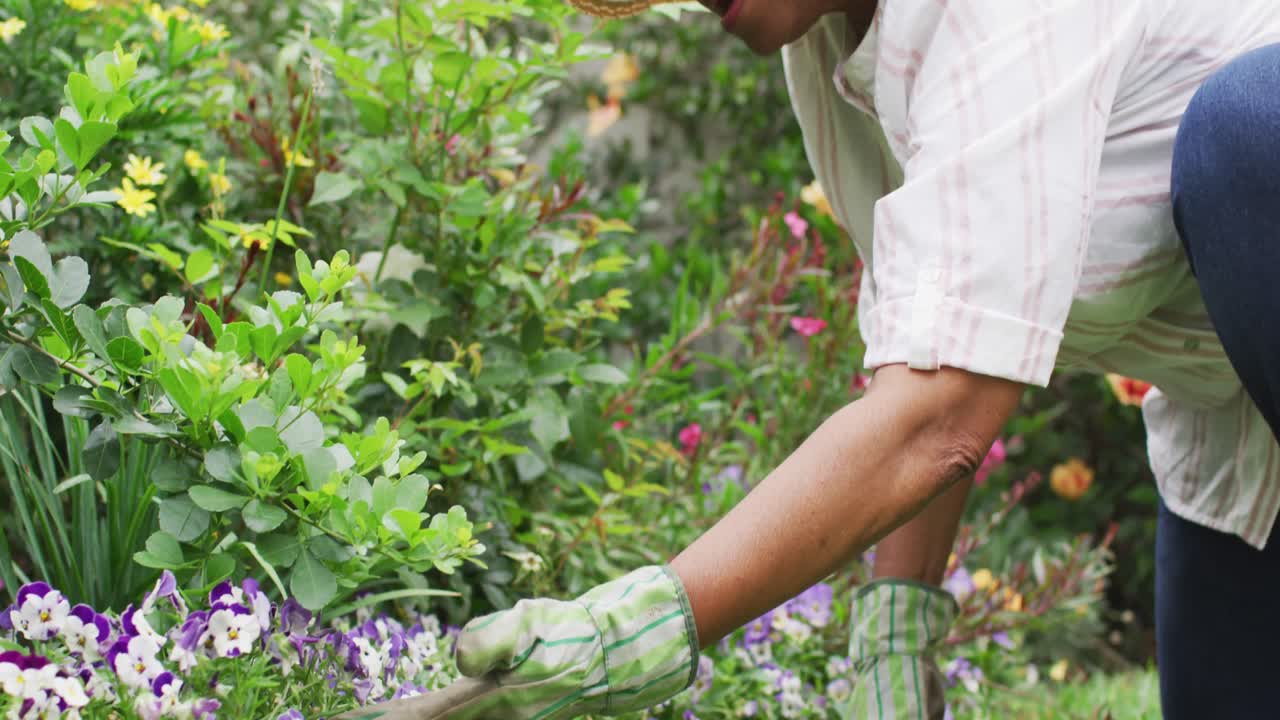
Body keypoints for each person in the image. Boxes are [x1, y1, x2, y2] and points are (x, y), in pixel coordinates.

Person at [442, 1, 1280, 718]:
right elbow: (944, 322)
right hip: (1239, 435)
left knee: (1250, 128)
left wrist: (634, 632)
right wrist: (894, 631)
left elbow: (945, 411)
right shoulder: (835, 46)